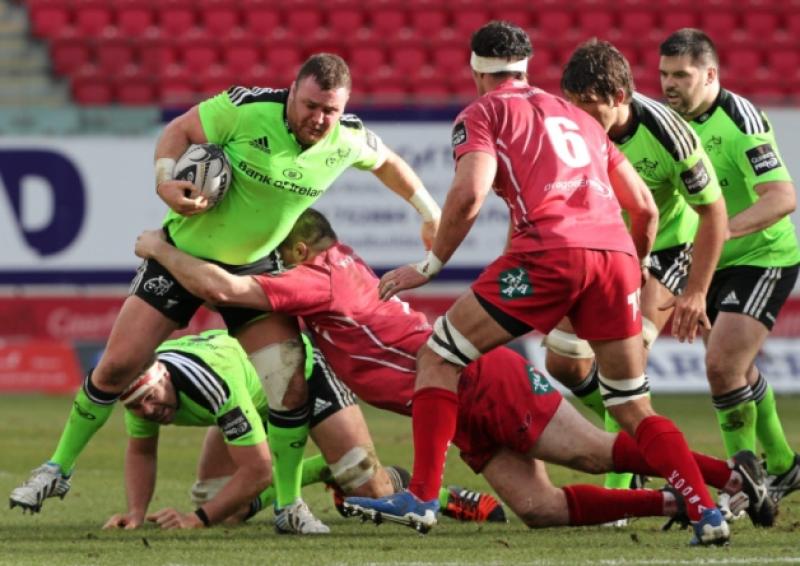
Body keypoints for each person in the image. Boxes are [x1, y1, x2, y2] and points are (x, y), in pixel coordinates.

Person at [335, 20, 744, 545]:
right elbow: (642, 206)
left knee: (439, 355)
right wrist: (630, 265)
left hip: (550, 253)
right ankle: (706, 511)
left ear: (477, 70)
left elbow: (468, 195)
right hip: (615, 256)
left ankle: (421, 498)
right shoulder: (578, 115)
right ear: (528, 67)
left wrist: (431, 265)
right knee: (631, 404)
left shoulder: (483, 111)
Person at [132, 209, 775, 539]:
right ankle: (686, 496)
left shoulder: (316, 277)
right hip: (453, 400)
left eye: (281, 251)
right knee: (539, 510)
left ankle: (727, 478)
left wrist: (162, 246)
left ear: (302, 249)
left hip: (479, 379)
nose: (276, 263)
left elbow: (224, 285)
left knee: (597, 451)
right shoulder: (339, 265)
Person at [9, 53, 441, 534]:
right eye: (311, 105)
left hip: (254, 268)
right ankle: (56, 469)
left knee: (288, 384)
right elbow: (178, 131)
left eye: (330, 111)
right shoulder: (245, 107)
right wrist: (165, 183)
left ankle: (288, 505)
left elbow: (390, 165)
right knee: (116, 366)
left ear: (343, 109)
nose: (318, 118)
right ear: (292, 90)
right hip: (181, 255)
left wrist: (428, 212)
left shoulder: (348, 138)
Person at [548, 39, 727, 499]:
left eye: (591, 107)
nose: (581, 117)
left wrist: (696, 291)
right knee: (564, 362)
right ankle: (645, 439)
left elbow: (713, 212)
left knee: (625, 364)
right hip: (599, 248)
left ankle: (620, 487)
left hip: (665, 248)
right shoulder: (567, 128)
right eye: (574, 105)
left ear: (619, 99)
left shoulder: (669, 133)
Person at [659, 28, 800, 505]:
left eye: (681, 75)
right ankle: (782, 465)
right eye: (663, 74)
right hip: (707, 260)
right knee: (734, 370)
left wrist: (718, 233)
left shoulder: (740, 121)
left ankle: (745, 484)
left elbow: (782, 198)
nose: (669, 84)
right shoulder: (667, 122)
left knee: (721, 367)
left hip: (762, 257)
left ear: (711, 74)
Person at [99, 329, 403, 531]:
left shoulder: (212, 382)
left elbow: (258, 470)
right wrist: (136, 513)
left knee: (371, 490)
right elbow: (141, 452)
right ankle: (324, 469)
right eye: (136, 407)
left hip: (300, 372)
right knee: (221, 506)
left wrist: (195, 520)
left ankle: (428, 491)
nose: (147, 411)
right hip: (254, 397)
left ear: (163, 375)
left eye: (151, 399)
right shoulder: (139, 392)